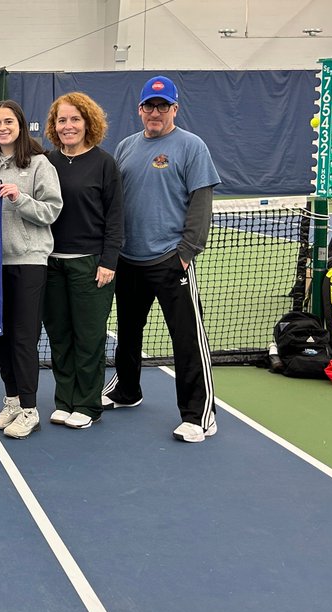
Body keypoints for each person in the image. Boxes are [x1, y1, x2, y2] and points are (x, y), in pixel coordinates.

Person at [102, 76, 221, 443]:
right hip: (129, 260)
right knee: (127, 333)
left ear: (175, 109)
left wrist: (186, 253)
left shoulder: (191, 146)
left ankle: (199, 414)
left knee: (187, 339)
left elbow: (201, 205)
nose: (156, 112)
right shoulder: (125, 147)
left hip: (171, 260)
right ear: (140, 110)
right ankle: (127, 391)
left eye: (163, 106)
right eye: (149, 106)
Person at [0, 100, 62, 439]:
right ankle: (11, 400)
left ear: (20, 126)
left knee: (24, 339)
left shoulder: (38, 164)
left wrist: (18, 197)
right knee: (3, 337)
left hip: (29, 262)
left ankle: (29, 409)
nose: (2, 127)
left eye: (8, 121)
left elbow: (51, 211)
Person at [42, 92, 124, 430]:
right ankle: (65, 401)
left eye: (75, 119)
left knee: (89, 339)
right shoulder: (46, 162)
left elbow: (116, 218)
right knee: (59, 337)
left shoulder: (105, 164)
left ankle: (88, 406)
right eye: (62, 120)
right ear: (54, 126)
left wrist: (109, 261)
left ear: (88, 123)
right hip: (50, 264)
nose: (68, 126)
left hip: (91, 266)